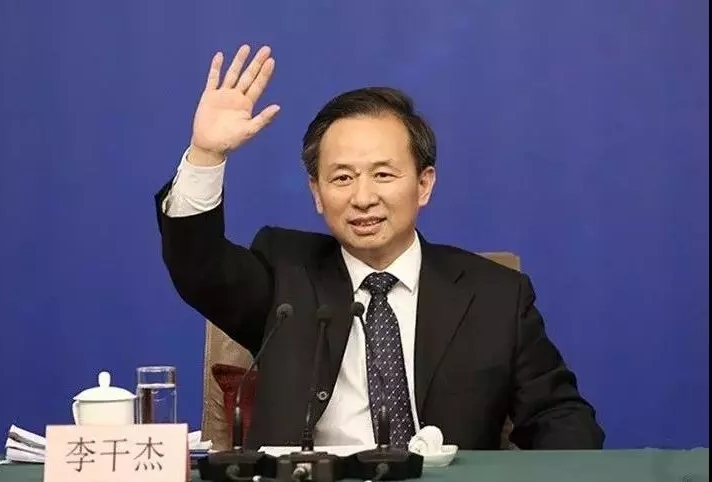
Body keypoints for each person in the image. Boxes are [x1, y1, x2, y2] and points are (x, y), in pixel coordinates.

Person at [154, 44, 605, 450]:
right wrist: (206, 156)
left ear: (424, 184)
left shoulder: (496, 296)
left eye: (383, 175)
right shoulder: (284, 272)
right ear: (316, 193)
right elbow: (199, 267)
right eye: (342, 177)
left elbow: (559, 415)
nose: (363, 197)